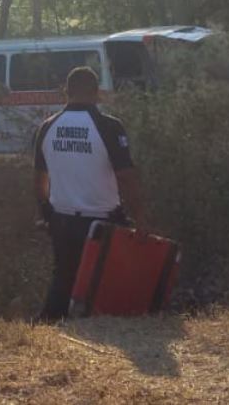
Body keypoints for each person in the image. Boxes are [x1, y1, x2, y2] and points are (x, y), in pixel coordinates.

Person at [33, 66, 145, 322]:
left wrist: (44, 214)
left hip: (61, 220)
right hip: (103, 222)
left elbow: (39, 180)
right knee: (107, 285)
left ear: (66, 91)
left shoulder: (47, 127)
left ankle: (48, 331)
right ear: (97, 93)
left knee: (63, 280)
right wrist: (141, 218)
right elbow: (126, 177)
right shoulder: (109, 127)